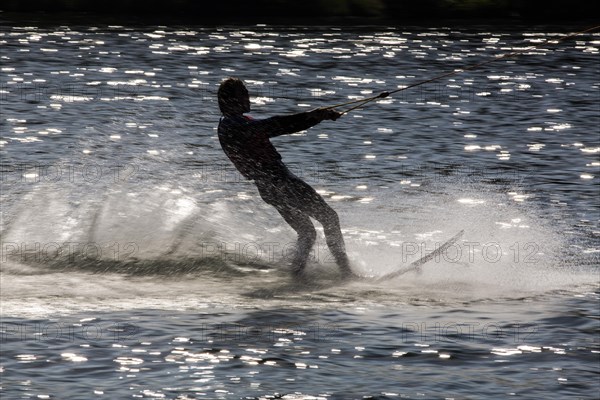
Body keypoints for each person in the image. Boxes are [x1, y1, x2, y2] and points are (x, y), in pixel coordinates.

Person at [217, 77, 354, 279]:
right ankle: (347, 275)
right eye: (243, 94)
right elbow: (277, 125)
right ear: (230, 100)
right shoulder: (233, 124)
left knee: (307, 233)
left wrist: (316, 116)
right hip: (280, 182)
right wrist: (315, 116)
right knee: (329, 218)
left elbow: (274, 126)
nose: (248, 97)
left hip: (267, 189)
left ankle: (297, 275)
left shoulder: (228, 124)